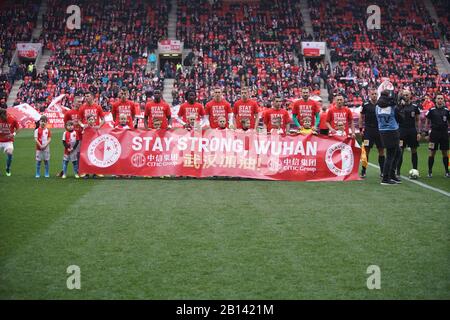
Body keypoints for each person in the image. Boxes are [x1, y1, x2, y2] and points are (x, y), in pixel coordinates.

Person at [375, 90, 402, 185]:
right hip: (392, 131)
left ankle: (391, 174)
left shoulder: (377, 106)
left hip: (382, 131)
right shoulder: (392, 106)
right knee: (391, 155)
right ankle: (386, 178)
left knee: (398, 152)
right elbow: (400, 118)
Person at [359, 88, 385, 178]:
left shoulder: (381, 104)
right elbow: (361, 117)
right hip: (368, 131)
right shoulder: (365, 104)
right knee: (366, 151)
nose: (374, 95)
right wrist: (360, 129)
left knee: (381, 150)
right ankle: (363, 171)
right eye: (372, 94)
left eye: (375, 94)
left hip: (379, 131)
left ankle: (382, 171)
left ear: (377, 95)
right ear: (369, 95)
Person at [423, 94, 449, 177]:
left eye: (441, 98)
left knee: (445, 153)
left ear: (443, 100)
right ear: (436, 100)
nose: (440, 100)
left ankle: (447, 172)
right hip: (434, 134)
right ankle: (430, 172)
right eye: (438, 98)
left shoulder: (446, 110)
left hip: (444, 133)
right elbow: (427, 121)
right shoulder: (431, 110)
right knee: (432, 152)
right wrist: (426, 132)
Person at [396, 89, 421, 176]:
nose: (406, 96)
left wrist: (418, 132)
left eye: (407, 95)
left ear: (410, 95)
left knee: (414, 150)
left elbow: (418, 120)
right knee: (400, 151)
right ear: (402, 96)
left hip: (412, 131)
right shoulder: (399, 106)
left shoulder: (415, 106)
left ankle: (415, 170)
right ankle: (397, 171)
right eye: (404, 95)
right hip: (402, 130)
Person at [0, 108, 19, 176]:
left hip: (8, 141)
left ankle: (8, 168)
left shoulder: (12, 119)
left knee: (10, 153)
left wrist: (13, 134)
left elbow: (18, 128)